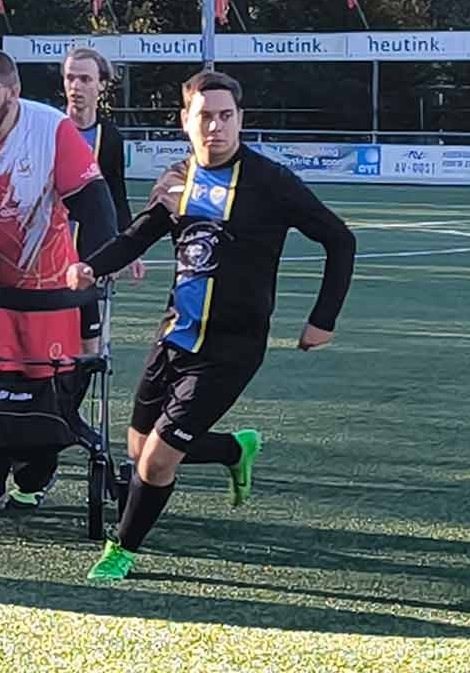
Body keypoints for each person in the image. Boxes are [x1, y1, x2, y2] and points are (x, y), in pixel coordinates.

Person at [66, 70, 356, 580]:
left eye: (226, 117)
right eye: (205, 116)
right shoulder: (175, 179)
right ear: (186, 121)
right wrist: (93, 264)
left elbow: (340, 240)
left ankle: (122, 552)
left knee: (154, 463)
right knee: (138, 449)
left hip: (231, 348)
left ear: (241, 120)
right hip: (174, 336)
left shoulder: (271, 183)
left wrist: (322, 319)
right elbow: (138, 236)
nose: (216, 127)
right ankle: (233, 448)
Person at [0, 48, 117, 515]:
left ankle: (33, 479)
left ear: (13, 93)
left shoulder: (51, 130)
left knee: (48, 383)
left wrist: (96, 260)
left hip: (49, 285)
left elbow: (94, 202)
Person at [61, 46, 145, 353]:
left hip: (88, 252)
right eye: (70, 78)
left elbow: (116, 195)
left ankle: (76, 397)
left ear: (101, 85)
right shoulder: (49, 128)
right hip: (47, 248)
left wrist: (129, 248)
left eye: (85, 79)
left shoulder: (108, 137)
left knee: (88, 341)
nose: (76, 87)